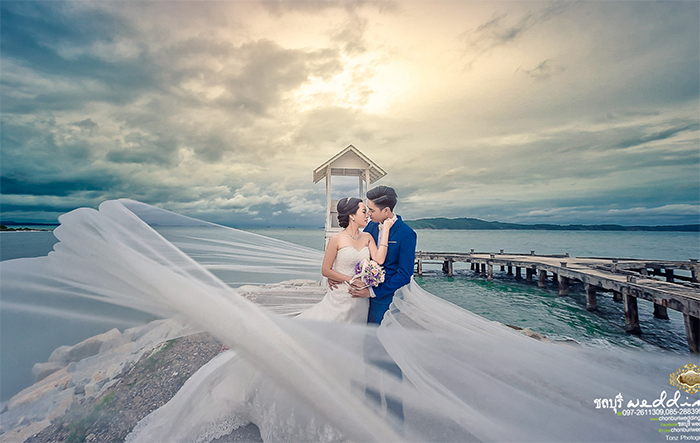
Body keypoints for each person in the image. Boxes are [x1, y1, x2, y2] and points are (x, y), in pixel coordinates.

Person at [298, 197, 392, 323]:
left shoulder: (367, 237)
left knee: (356, 336)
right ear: (352, 215)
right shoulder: (336, 239)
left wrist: (385, 231)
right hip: (341, 296)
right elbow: (325, 270)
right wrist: (351, 280)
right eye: (364, 211)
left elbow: (379, 260)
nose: (368, 215)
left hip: (360, 300)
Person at [347, 186, 416, 324]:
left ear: (386, 211)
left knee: (377, 339)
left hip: (385, 299)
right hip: (360, 294)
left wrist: (373, 292)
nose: (368, 214)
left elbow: (404, 274)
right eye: (367, 209)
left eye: (371, 210)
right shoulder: (371, 226)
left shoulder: (407, 234)